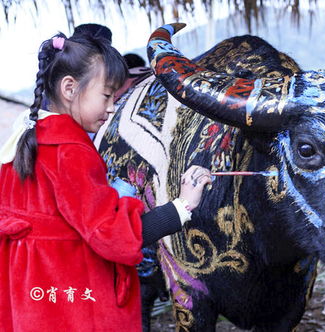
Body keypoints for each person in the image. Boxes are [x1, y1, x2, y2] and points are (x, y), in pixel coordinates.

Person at [0, 30, 211, 331]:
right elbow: (111, 236)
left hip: (31, 294)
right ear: (70, 88)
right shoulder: (70, 151)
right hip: (71, 306)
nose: (112, 107)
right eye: (107, 95)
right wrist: (182, 206)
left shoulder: (23, 140)